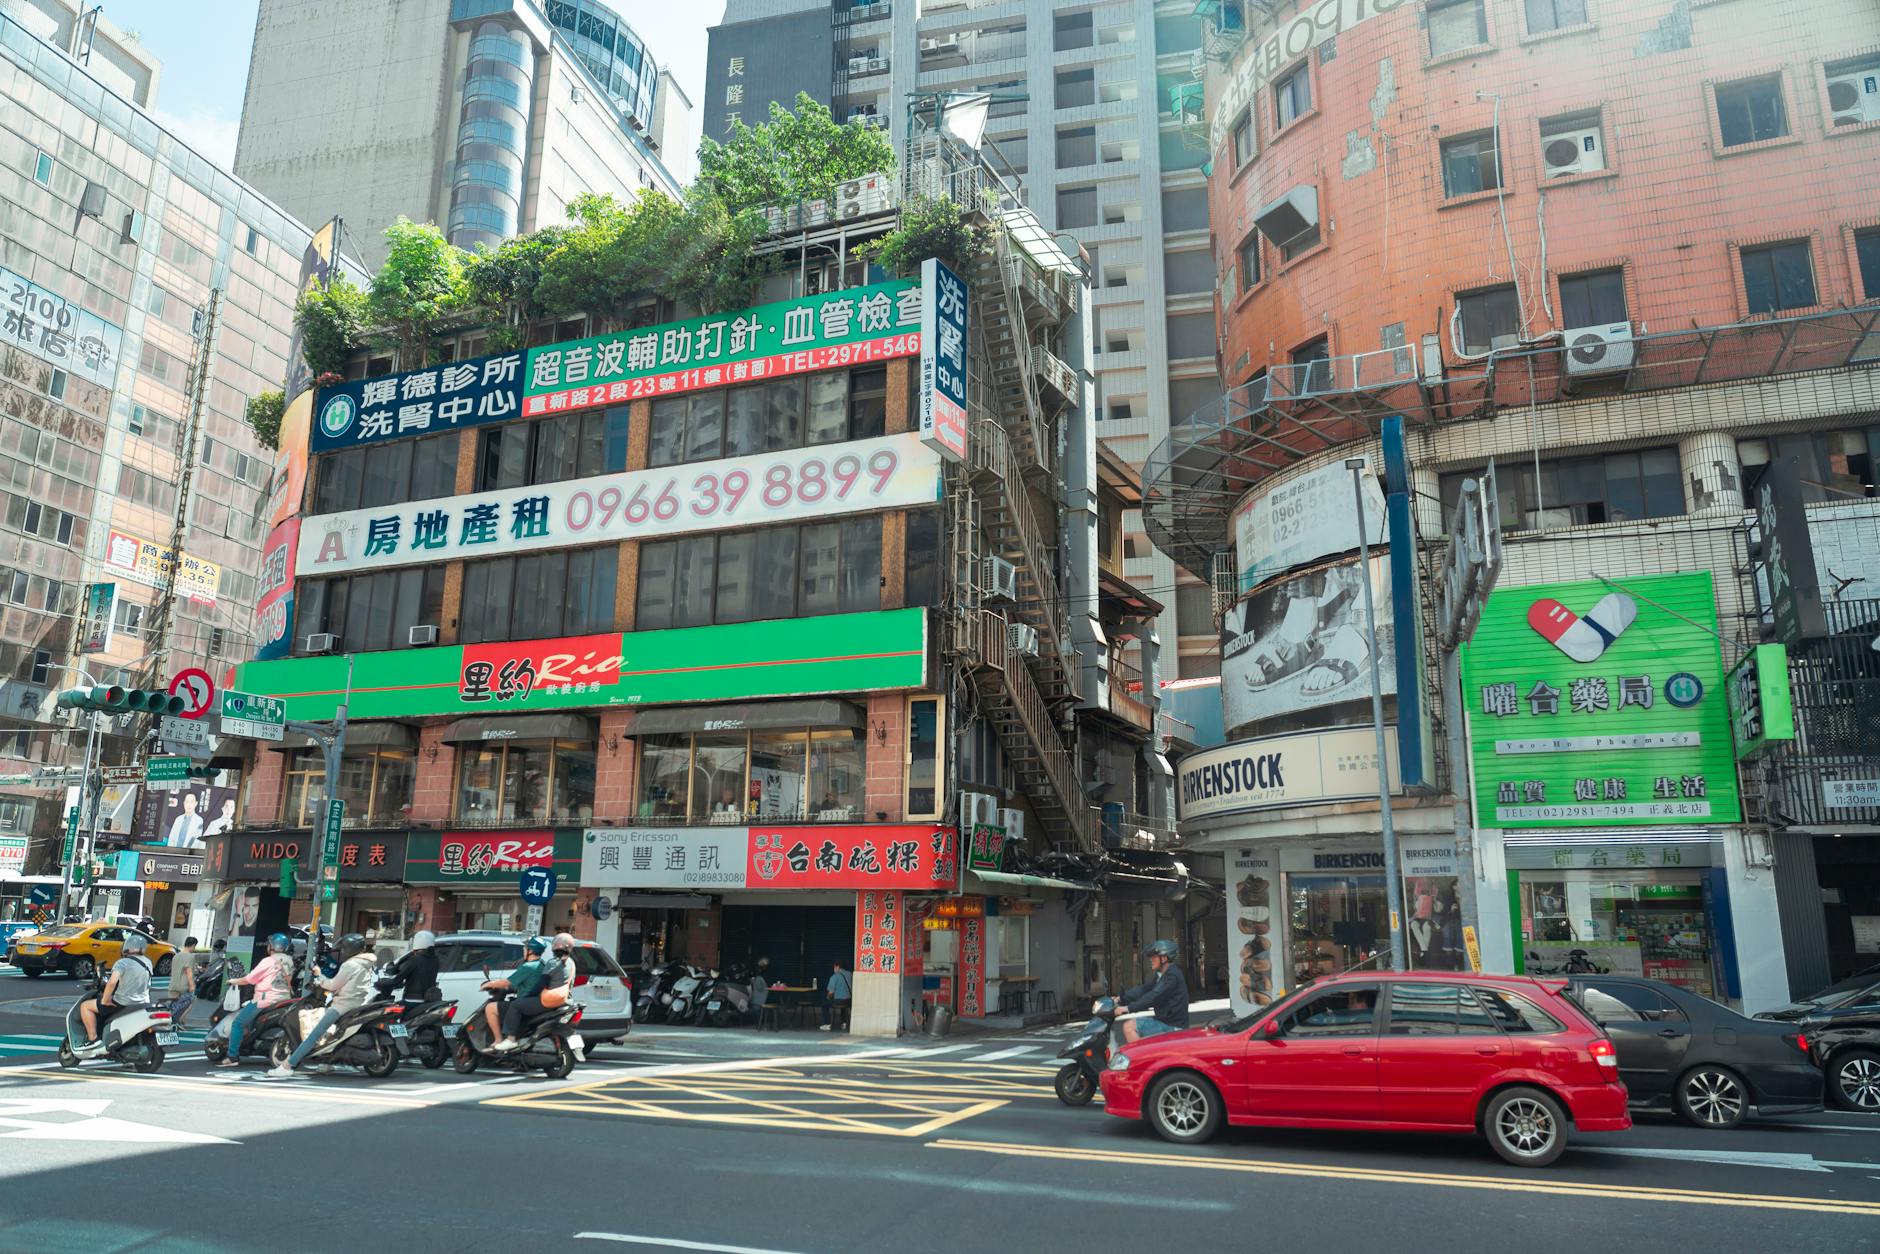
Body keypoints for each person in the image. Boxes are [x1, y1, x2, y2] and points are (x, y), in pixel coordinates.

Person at [269, 932, 376, 1077]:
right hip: (358, 1003)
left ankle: (288, 1066)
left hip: (343, 1005)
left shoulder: (350, 965)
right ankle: (327, 1063)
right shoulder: (367, 964)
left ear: (349, 949)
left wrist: (319, 975)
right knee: (334, 1033)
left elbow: (332, 985)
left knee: (314, 1034)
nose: (342, 951)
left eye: (343, 949)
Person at [220, 933, 295, 1066]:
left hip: (265, 1000)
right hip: (283, 999)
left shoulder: (268, 961)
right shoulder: (289, 960)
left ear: (272, 946)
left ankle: (232, 1057)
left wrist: (234, 981)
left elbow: (250, 979)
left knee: (238, 1023)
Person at [76, 932, 154, 1055]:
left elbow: (112, 982)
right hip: (142, 1003)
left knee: (85, 1006)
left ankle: (92, 1039)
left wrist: (105, 999)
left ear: (126, 947)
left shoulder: (123, 962)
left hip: (123, 1003)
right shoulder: (148, 962)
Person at [481, 937, 551, 1052]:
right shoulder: (541, 964)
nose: (523, 951)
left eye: (525, 949)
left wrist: (488, 984)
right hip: (533, 1001)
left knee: (490, 1008)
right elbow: (527, 984)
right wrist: (511, 989)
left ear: (530, 951)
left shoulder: (528, 967)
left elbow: (506, 982)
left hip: (525, 1004)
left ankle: (498, 1040)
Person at [1113, 939, 1189, 1044]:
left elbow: (1153, 996)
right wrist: (1121, 998)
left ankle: (1140, 1055)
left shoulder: (1172, 976)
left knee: (1129, 1027)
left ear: (1164, 958)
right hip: (1165, 1022)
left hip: (1173, 1027)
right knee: (1135, 1023)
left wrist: (1127, 1008)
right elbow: (1144, 989)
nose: (1151, 959)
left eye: (1154, 957)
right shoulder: (1163, 975)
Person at [387, 930, 440, 1002]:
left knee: (396, 1008)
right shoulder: (435, 960)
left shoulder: (414, 959)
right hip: (428, 999)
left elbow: (400, 977)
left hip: (412, 999)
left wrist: (384, 983)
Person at [165, 936, 202, 1024]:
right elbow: (188, 971)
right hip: (183, 987)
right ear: (193, 945)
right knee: (190, 1001)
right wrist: (192, 985)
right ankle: (179, 1021)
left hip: (173, 985)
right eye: (195, 946)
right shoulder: (190, 957)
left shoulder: (176, 956)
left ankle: (169, 1022)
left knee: (172, 1006)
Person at [819, 960, 852, 1031]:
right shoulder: (849, 974)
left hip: (838, 1001)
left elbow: (831, 992)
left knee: (824, 1004)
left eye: (834, 967)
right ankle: (844, 1023)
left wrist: (828, 997)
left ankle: (827, 1024)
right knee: (843, 1006)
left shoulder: (834, 977)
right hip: (848, 1001)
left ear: (837, 967)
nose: (833, 969)